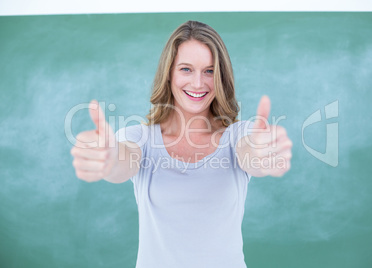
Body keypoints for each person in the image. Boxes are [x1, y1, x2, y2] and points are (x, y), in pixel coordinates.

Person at [70, 20, 292, 268]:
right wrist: (108, 158)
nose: (198, 83)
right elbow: (122, 161)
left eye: (209, 71)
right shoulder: (139, 138)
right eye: (186, 69)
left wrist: (263, 154)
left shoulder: (238, 135)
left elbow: (253, 155)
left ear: (221, 77)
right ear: (168, 74)